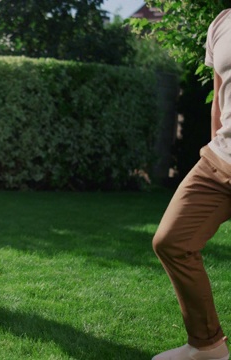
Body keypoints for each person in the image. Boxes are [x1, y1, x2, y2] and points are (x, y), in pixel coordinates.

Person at [152, 8, 231, 360]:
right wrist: (217, 146)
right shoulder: (221, 23)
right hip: (220, 160)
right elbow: (219, 97)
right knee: (171, 241)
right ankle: (208, 345)